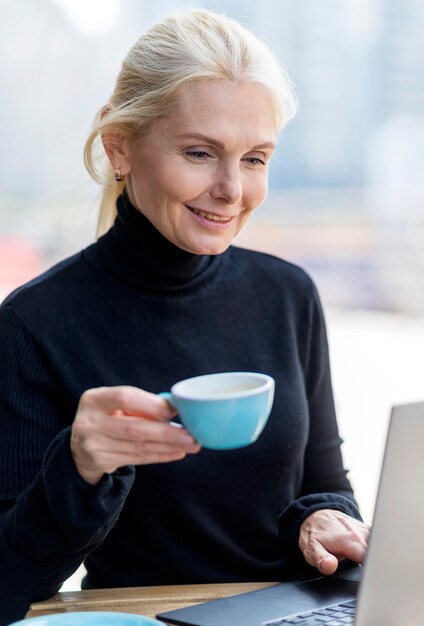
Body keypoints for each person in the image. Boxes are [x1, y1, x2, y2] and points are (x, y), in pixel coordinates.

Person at [0, 8, 369, 624]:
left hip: (296, 613)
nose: (232, 189)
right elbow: (7, 583)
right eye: (200, 152)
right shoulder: (33, 325)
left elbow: (324, 484)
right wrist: (80, 466)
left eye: (255, 158)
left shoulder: (289, 294)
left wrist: (323, 520)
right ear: (120, 147)